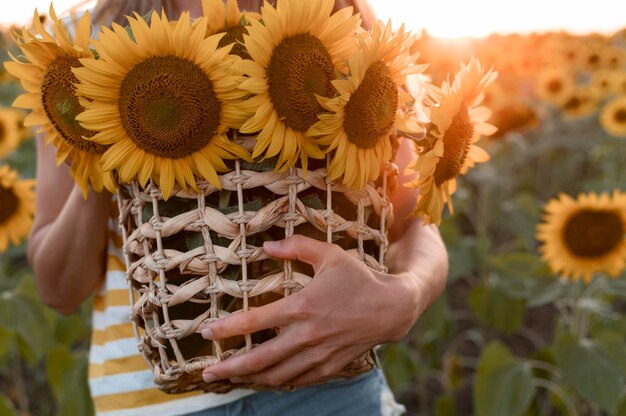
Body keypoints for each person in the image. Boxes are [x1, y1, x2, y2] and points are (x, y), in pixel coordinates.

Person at [26, 0, 449, 415]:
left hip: (328, 386)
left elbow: (412, 219)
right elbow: (58, 289)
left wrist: (403, 297)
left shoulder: (340, 20)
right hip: (152, 402)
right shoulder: (80, 52)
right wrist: (106, 147)